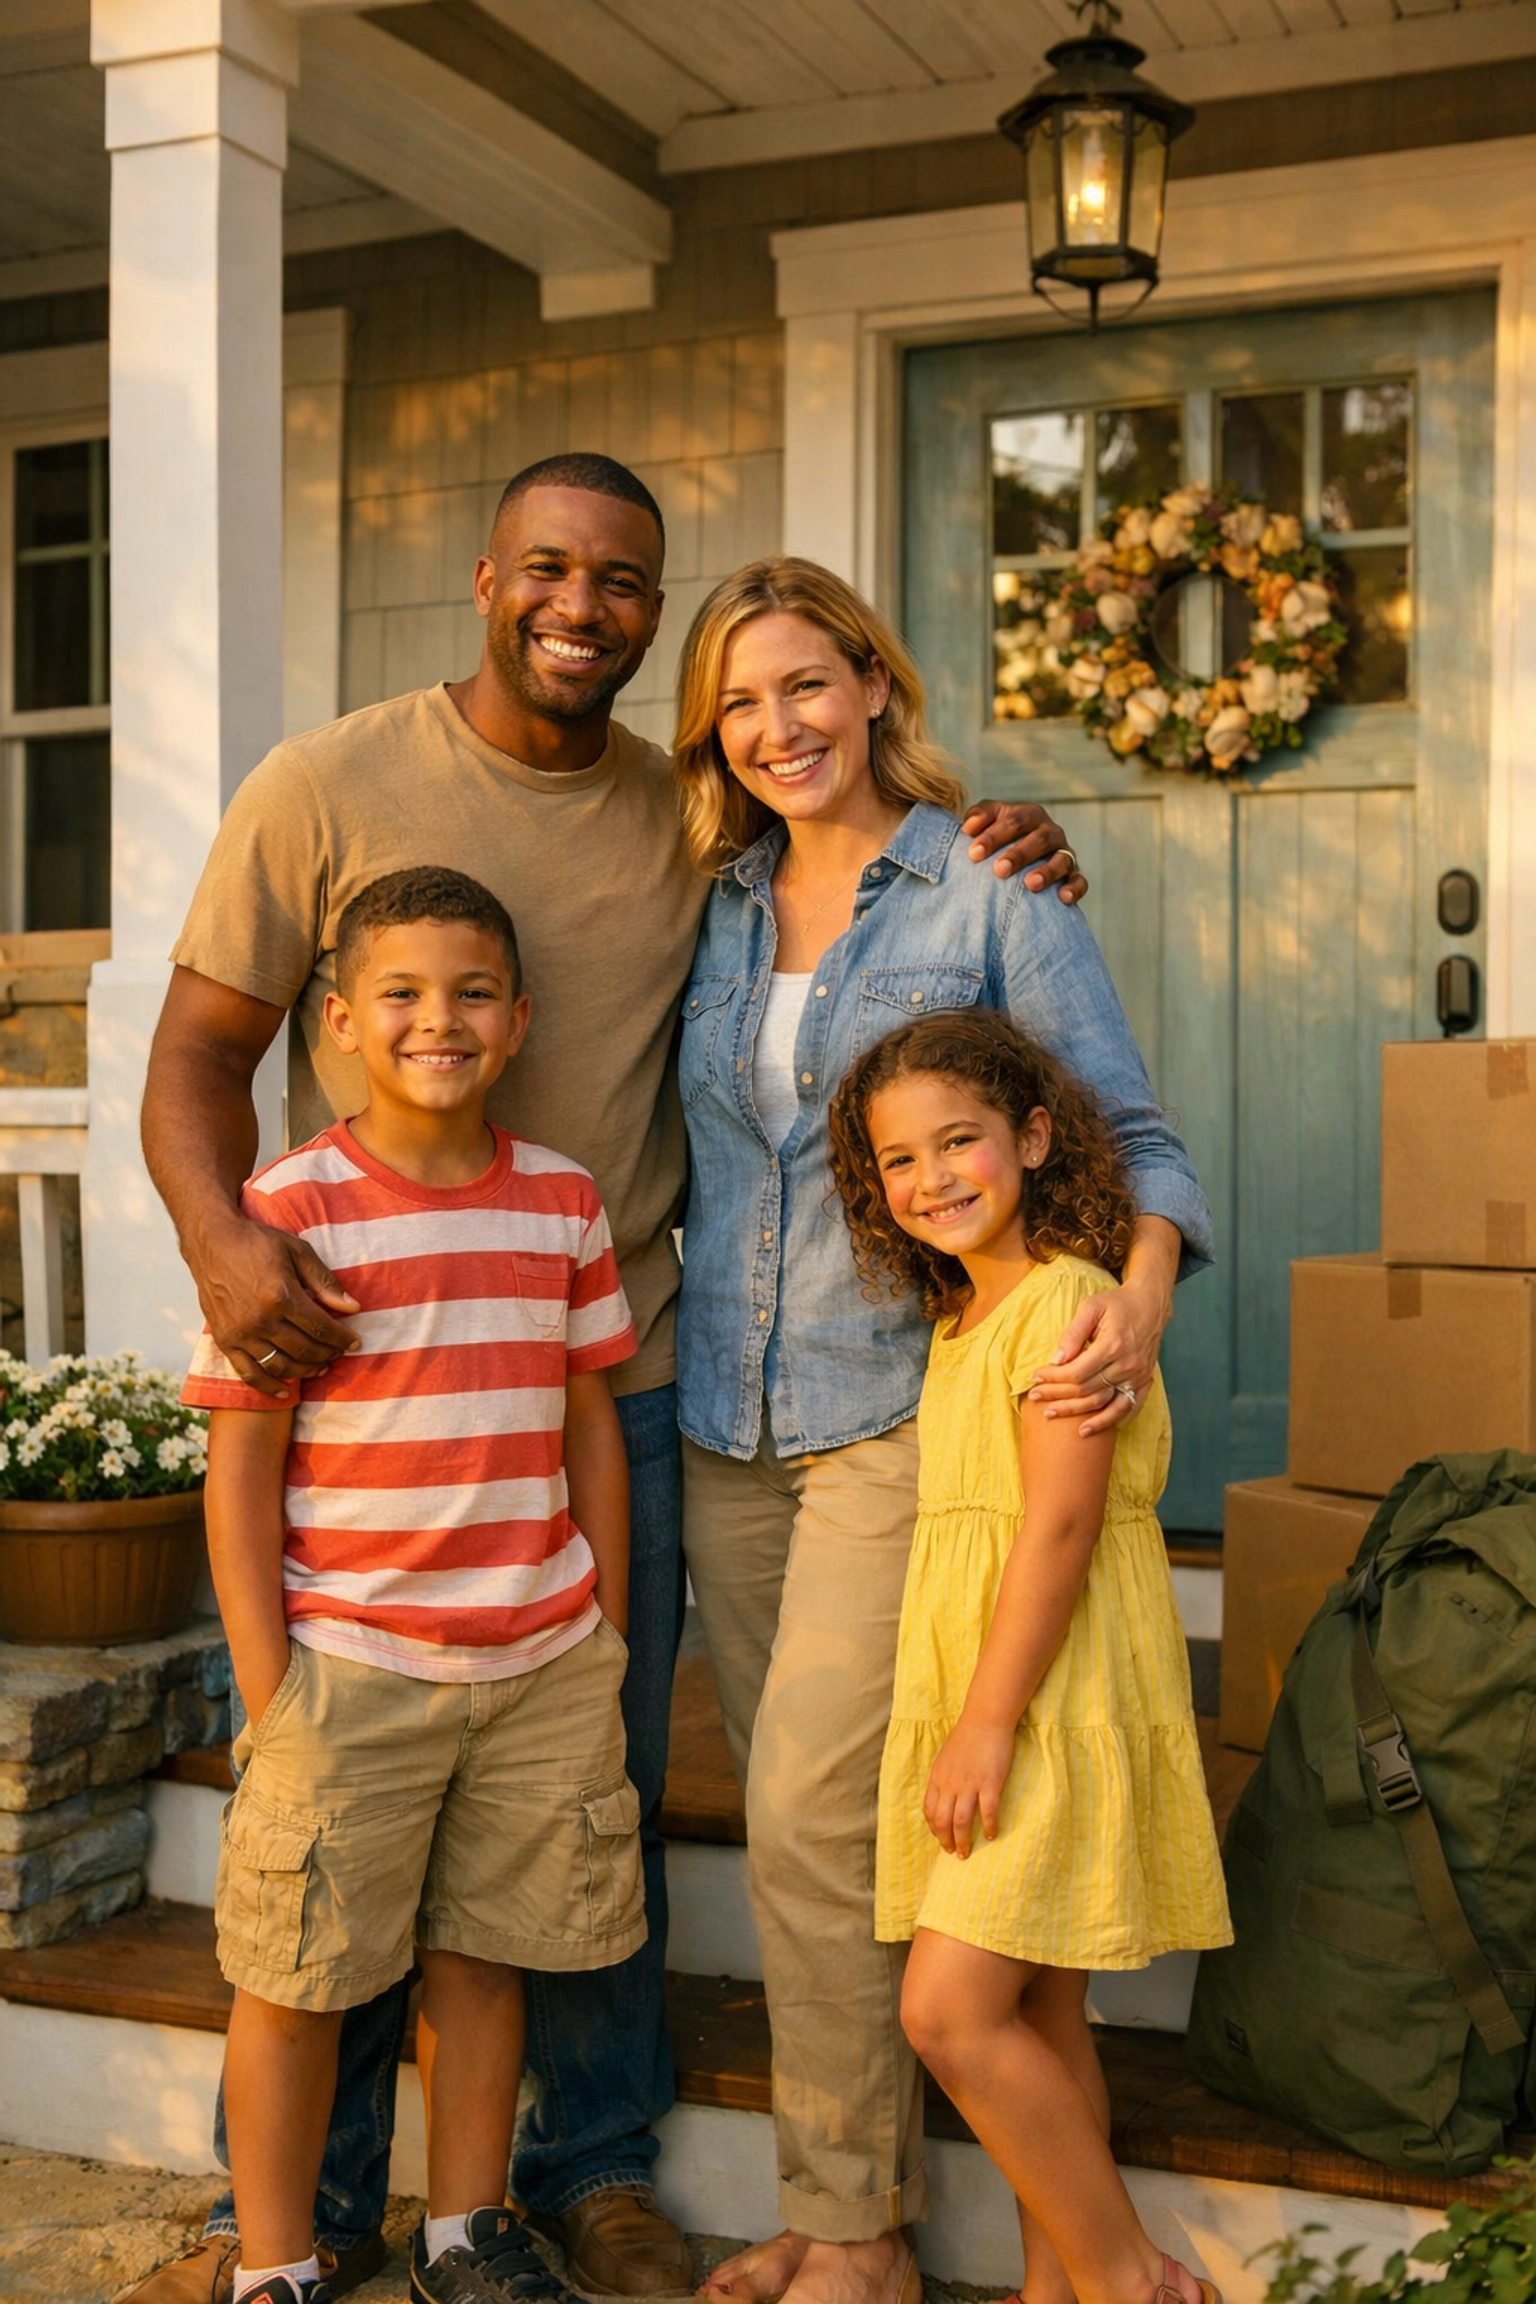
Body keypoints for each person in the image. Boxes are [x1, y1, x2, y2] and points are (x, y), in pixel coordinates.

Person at [128, 454, 1079, 2304]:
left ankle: (576, 2170)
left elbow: (850, 863)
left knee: (581, 1806)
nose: (582, 604)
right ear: (483, 576)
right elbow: (195, 1054)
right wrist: (228, 1249)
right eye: (549, 568)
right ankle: (318, 2212)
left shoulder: (688, 810)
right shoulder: (320, 784)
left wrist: (996, 835)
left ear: (656, 614)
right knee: (350, 1813)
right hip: (365, 1373)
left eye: (626, 581)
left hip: (608, 1359)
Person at [671, 558, 1215, 2304]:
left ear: (874, 684)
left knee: (819, 1816)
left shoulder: (992, 878)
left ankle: (858, 2230)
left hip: (903, 1416)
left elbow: (1131, 1130)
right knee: (822, 1832)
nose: (779, 727)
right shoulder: (716, 900)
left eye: (806, 686)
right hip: (720, 1415)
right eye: (741, 703)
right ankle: (999, 2235)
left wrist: (1136, 1301)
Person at [182, 866, 644, 2304]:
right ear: (337, 1023)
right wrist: (269, 1689)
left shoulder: (564, 1204)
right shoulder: (286, 1212)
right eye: (401, 993)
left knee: (490, 1957)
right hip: (351, 1668)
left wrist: (606, 1634)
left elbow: (589, 1430)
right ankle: (271, 2263)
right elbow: (241, 1470)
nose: (437, 1020)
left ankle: (465, 2230)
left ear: (518, 1023)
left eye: (471, 994)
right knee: (298, 1976)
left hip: (537, 1664)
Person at [826, 1010, 1231, 2304]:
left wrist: (987, 1719)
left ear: (1036, 1137)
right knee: (1040, 2014)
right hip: (997, 1683)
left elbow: (1058, 1526)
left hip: (1048, 1692)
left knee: (947, 2012)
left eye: (962, 1141)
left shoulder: (1066, 1301)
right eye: (900, 1159)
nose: (934, 1177)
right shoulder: (962, 1318)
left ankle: (1135, 2281)